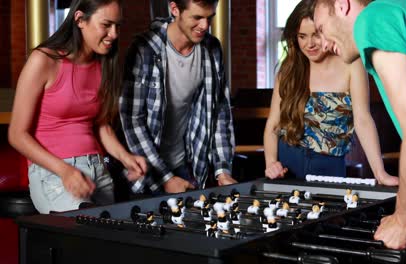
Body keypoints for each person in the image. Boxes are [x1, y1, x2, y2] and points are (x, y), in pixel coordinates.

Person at [313, 0, 406, 260]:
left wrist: (402, 220)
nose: (323, 42)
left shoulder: (372, 19)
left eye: (321, 28)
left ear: (342, 5)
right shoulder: (399, 16)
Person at [8, 0, 147, 214]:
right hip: (54, 173)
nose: (114, 34)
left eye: (118, 26)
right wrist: (65, 171)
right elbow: (17, 135)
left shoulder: (103, 64)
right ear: (80, 19)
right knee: (88, 234)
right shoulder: (44, 60)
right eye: (106, 25)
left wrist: (125, 157)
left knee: (111, 242)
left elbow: (101, 125)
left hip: (98, 169)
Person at [263, 0, 398, 187]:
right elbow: (273, 124)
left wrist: (380, 172)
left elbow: (363, 120)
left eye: (316, 35)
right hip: (287, 164)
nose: (309, 44)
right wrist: (271, 162)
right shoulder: (288, 69)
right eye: (302, 36)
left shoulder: (351, 63)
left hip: (330, 166)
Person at [119, 0, 236, 195]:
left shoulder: (211, 48)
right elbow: (132, 121)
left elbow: (219, 113)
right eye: (197, 17)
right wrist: (165, 177)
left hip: (185, 166)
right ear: (175, 9)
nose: (205, 26)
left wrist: (222, 171)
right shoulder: (144, 49)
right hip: (145, 171)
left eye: (209, 18)